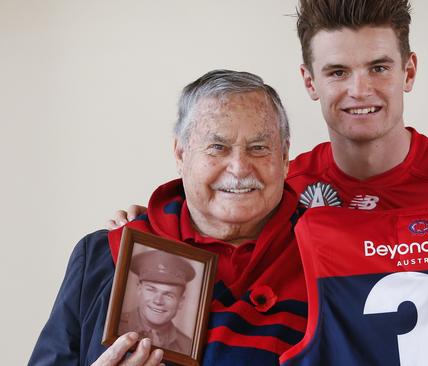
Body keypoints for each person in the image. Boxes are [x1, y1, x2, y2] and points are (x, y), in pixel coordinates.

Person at [111, 1, 428, 364]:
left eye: (378, 67)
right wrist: (149, 229)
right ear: (310, 81)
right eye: (337, 72)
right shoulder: (282, 184)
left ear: (407, 71)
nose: (359, 90)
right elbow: (216, 235)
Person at [29, 70, 307, 366]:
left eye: (259, 147)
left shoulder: (325, 257)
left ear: (285, 155)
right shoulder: (102, 257)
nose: (239, 168)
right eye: (217, 147)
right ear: (180, 153)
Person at [118, 250, 196, 355]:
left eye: (168, 295)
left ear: (181, 302)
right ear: (139, 290)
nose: (158, 301)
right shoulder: (116, 327)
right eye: (151, 290)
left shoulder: (189, 347)